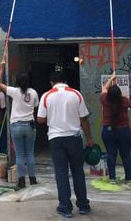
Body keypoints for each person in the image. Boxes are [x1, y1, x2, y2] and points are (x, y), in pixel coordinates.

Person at [37, 71, 94, 218]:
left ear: (51, 82)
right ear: (65, 80)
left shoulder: (46, 96)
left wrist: (53, 114)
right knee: (78, 172)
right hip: (75, 137)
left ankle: (65, 208)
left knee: (61, 173)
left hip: (56, 139)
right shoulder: (76, 94)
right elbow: (84, 119)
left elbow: (40, 119)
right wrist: (89, 138)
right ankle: (83, 206)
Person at [0, 60, 39, 188]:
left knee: (20, 154)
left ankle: (21, 181)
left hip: (16, 126)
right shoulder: (34, 92)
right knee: (30, 154)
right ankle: (32, 179)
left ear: (18, 81)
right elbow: (36, 107)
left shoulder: (14, 91)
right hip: (30, 125)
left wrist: (2, 67)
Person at [100, 72, 131, 183]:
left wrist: (111, 78)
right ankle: (128, 177)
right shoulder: (125, 101)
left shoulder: (105, 100)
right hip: (124, 130)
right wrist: (120, 93)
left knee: (111, 154)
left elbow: (104, 88)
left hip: (108, 130)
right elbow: (125, 99)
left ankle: (112, 177)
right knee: (126, 155)